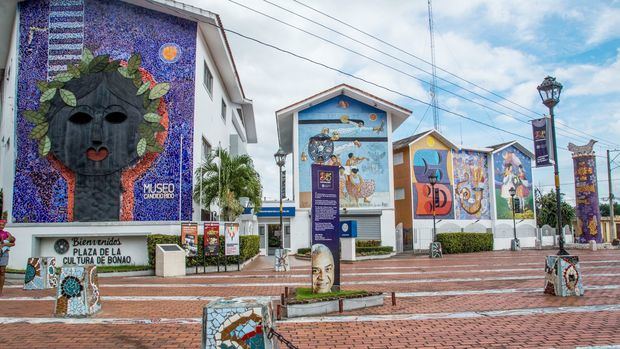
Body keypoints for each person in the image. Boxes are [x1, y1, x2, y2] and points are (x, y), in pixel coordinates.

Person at [0, 219, 16, 296]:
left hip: (4, 254)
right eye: (0, 224)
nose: (1, 226)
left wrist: (5, 245)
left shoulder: (7, 233)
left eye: (3, 225)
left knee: (2, 272)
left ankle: (0, 291)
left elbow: (13, 243)